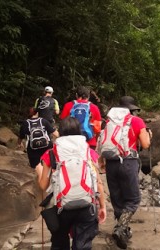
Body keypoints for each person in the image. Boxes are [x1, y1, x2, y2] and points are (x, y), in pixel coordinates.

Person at [34, 117, 107, 249]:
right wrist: (102, 206)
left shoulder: (51, 153)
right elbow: (98, 182)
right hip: (86, 205)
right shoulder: (88, 152)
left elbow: (43, 186)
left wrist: (40, 172)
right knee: (83, 244)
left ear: (60, 132)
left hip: (61, 207)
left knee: (59, 242)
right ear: (79, 132)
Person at [102, 95, 151, 249]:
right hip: (128, 162)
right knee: (133, 200)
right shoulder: (136, 121)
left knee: (117, 199)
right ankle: (120, 228)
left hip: (111, 163)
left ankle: (123, 230)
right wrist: (149, 135)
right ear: (132, 109)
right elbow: (145, 144)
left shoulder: (109, 121)